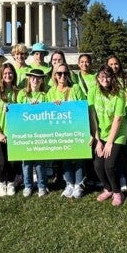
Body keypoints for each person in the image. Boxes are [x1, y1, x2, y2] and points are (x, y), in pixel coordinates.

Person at [89, 65, 127, 206]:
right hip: (101, 133)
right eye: (102, 77)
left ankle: (118, 192)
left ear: (113, 78)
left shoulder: (119, 93)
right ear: (98, 78)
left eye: (108, 76)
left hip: (117, 133)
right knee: (98, 165)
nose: (105, 79)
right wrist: (98, 140)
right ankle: (108, 188)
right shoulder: (93, 91)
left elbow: (118, 120)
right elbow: (92, 117)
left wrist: (110, 142)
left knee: (109, 165)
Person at [46, 63, 86, 199]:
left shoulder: (75, 88)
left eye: (65, 73)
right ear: (55, 76)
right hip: (60, 130)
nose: (62, 76)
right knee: (65, 157)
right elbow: (46, 112)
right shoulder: (51, 92)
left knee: (79, 157)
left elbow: (83, 106)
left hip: (76, 127)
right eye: (59, 73)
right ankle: (69, 183)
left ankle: (79, 184)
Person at [0, 63, 20, 197]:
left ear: (14, 75)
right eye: (5, 73)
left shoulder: (18, 91)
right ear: (1, 75)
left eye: (10, 73)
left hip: (13, 132)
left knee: (12, 161)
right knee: (1, 162)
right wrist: (0, 133)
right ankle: (2, 183)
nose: (8, 75)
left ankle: (11, 183)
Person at [107, 54, 127, 191]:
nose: (114, 66)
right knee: (117, 152)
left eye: (116, 63)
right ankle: (121, 177)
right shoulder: (106, 79)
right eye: (111, 64)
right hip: (112, 120)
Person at [17, 68, 48, 197]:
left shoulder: (44, 96)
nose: (35, 80)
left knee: (40, 163)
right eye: (32, 77)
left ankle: (42, 186)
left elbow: (48, 113)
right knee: (27, 163)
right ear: (29, 79)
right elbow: (18, 111)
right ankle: (28, 185)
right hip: (26, 133)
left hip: (40, 133)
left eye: (38, 78)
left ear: (42, 81)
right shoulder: (22, 94)